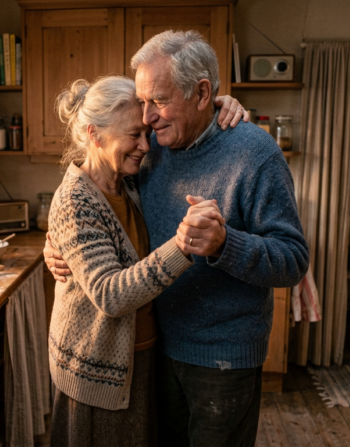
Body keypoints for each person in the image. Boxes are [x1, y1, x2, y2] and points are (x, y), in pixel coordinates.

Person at [45, 30, 310, 446]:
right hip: (153, 352)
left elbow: (293, 260)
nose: (148, 119)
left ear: (203, 93)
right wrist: (56, 239)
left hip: (222, 361)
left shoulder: (254, 152)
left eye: (159, 100)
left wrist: (225, 244)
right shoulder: (152, 149)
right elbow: (94, 203)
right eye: (144, 103)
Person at [47, 76, 245, 447]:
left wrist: (219, 105)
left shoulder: (130, 182)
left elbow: (186, 122)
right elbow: (110, 294)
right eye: (133, 135)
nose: (145, 145)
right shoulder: (76, 200)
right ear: (94, 133)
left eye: (146, 133)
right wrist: (183, 246)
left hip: (140, 360)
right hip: (96, 372)